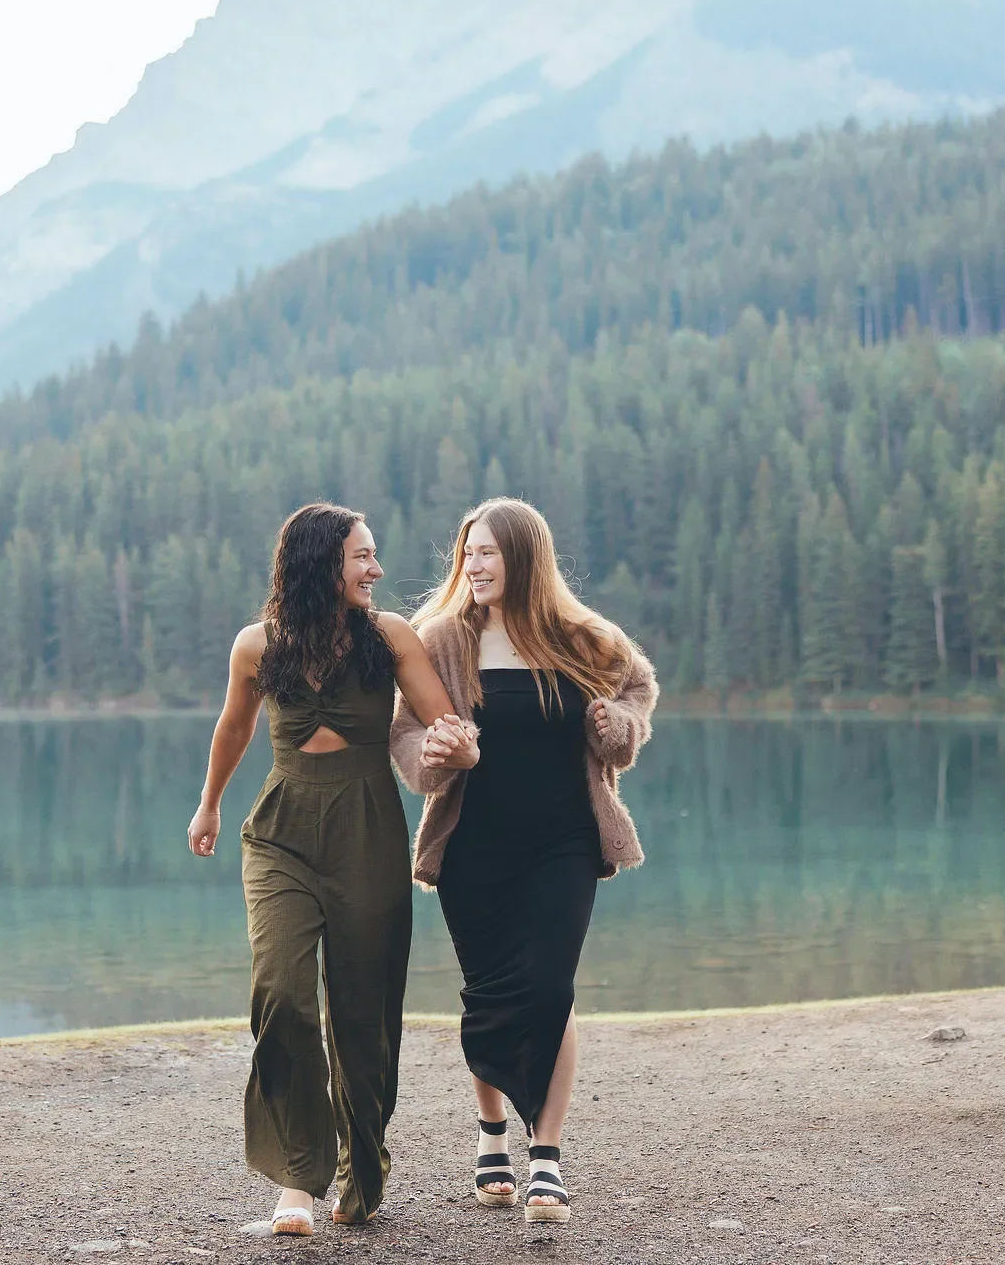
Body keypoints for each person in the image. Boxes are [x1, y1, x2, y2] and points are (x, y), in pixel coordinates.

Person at [189, 502, 475, 1236]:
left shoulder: (389, 637)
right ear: (322, 561)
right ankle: (297, 1178)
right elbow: (234, 726)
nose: (377, 569)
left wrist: (458, 748)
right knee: (281, 992)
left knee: (363, 1013)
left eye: (375, 556)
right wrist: (210, 805)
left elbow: (446, 724)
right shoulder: (257, 645)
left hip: (367, 827)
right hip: (280, 828)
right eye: (363, 557)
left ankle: (361, 1168)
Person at [389, 497, 657, 1226]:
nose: (473, 565)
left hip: (565, 840)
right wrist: (437, 755)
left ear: (525, 560)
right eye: (467, 553)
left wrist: (618, 724)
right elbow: (408, 732)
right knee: (490, 991)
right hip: (474, 844)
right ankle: (491, 1132)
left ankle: (547, 1155)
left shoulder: (582, 636)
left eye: (489, 553)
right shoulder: (440, 637)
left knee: (549, 986)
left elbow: (638, 688)